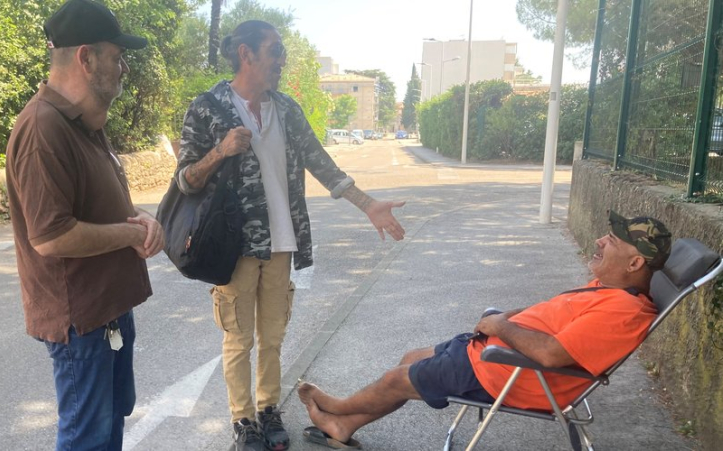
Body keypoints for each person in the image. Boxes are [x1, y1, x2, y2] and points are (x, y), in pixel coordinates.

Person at [176, 20, 406, 451]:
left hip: (283, 244)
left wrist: (368, 204)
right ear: (247, 55)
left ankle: (268, 410)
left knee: (273, 339)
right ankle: (243, 421)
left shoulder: (286, 109)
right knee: (239, 339)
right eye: (274, 50)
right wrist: (220, 151)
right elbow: (186, 180)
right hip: (233, 248)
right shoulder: (207, 108)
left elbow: (322, 164)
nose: (282, 59)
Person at [297, 211, 671, 449]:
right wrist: (504, 319)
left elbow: (551, 355)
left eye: (613, 241)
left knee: (398, 378)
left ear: (635, 261)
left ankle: (336, 407)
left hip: (508, 372)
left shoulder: (623, 310)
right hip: (494, 353)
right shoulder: (609, 288)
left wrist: (499, 325)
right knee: (412, 359)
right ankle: (341, 427)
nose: (600, 240)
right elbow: (551, 314)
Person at [5, 0, 164, 449]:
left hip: (107, 312)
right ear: (86, 58)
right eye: (117, 57)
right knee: (87, 438)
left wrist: (141, 220)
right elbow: (52, 237)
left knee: (106, 426)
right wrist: (133, 234)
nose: (124, 68)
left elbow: (98, 208)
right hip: (83, 322)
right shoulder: (43, 128)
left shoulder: (84, 121)